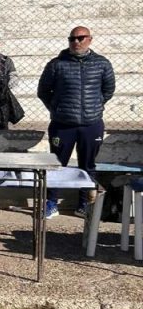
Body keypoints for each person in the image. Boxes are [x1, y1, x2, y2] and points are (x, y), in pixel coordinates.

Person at [37, 26, 115, 218]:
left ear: (90, 39)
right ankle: (51, 203)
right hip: (62, 125)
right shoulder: (56, 64)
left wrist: (94, 107)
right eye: (72, 39)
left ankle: (84, 204)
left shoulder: (102, 64)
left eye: (81, 38)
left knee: (87, 165)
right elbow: (43, 91)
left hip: (91, 124)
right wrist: (57, 110)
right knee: (57, 164)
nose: (76, 42)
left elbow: (108, 90)